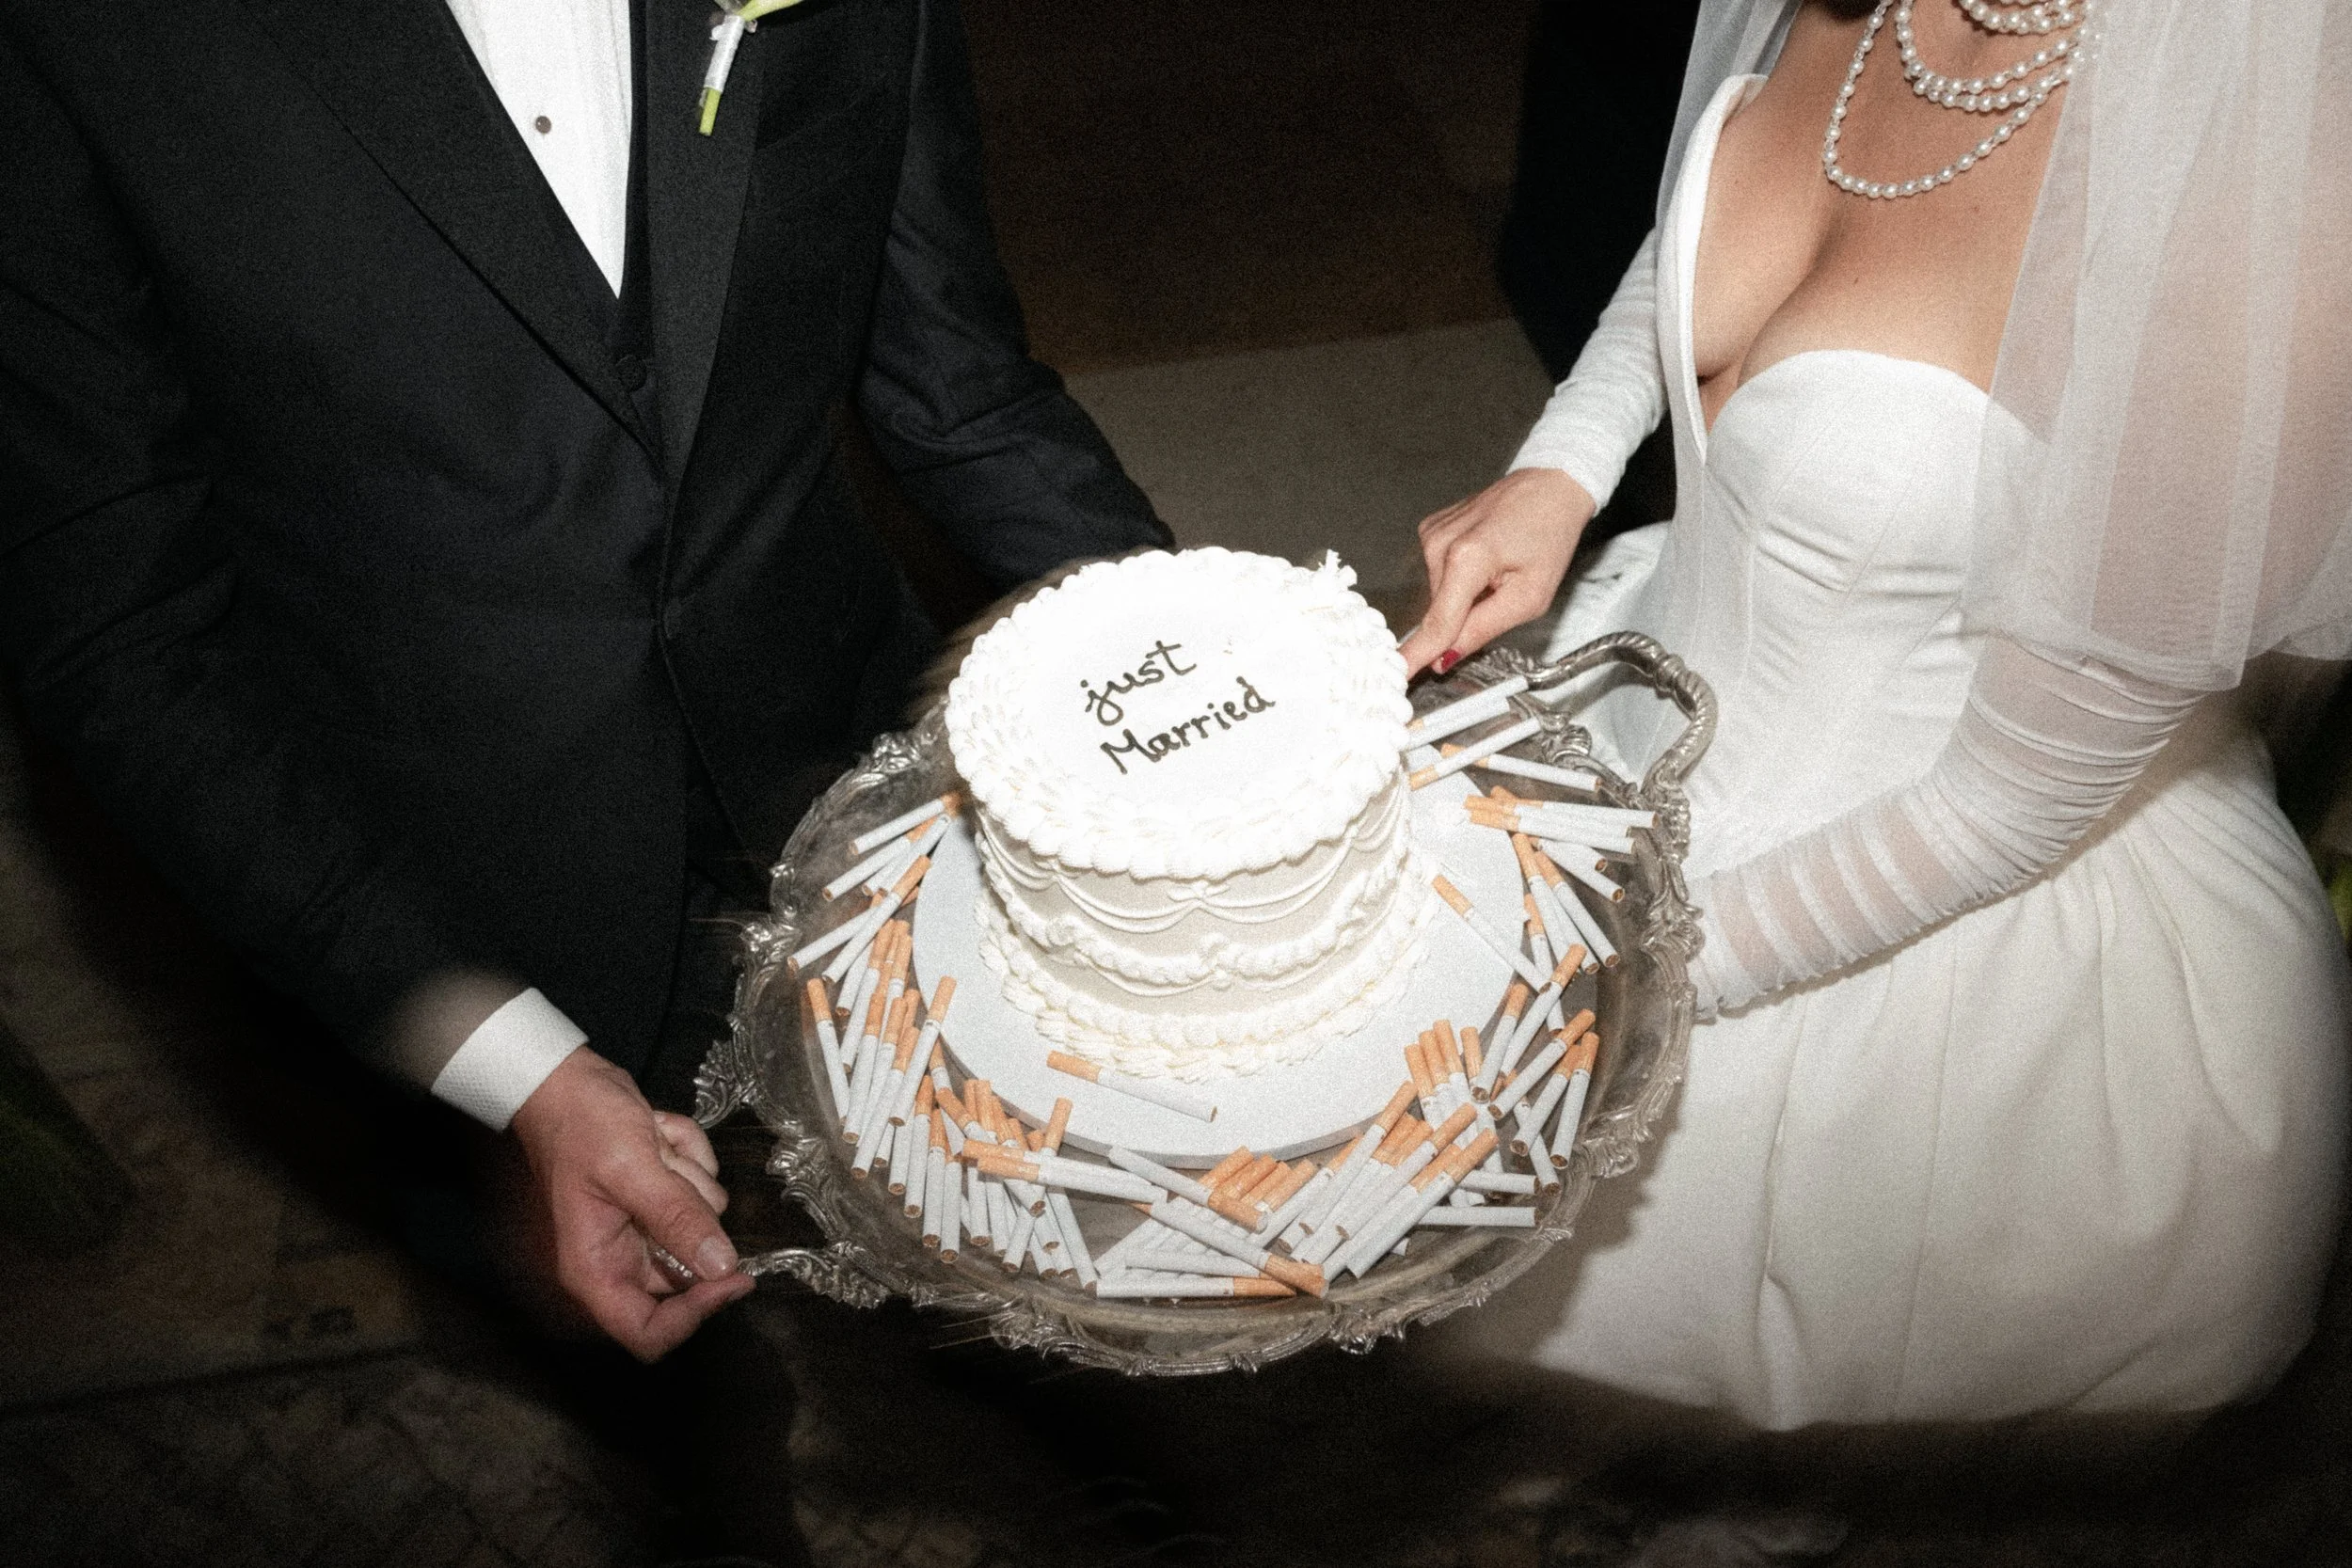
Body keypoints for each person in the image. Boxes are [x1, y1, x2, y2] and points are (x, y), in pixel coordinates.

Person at [0, 0, 1167, 1371]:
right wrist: (511, 1064)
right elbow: (122, 636)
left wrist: (1231, 670)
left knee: (983, 1236)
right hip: (447, 880)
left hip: (852, 778)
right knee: (636, 1365)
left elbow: (963, 391)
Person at [1402, 0, 2352, 1427]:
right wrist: (1570, 460)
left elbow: (2006, 810)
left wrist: (1608, 986)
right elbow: (1724, 204)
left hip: (1912, 930)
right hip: (1653, 695)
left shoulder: (2264, 199)